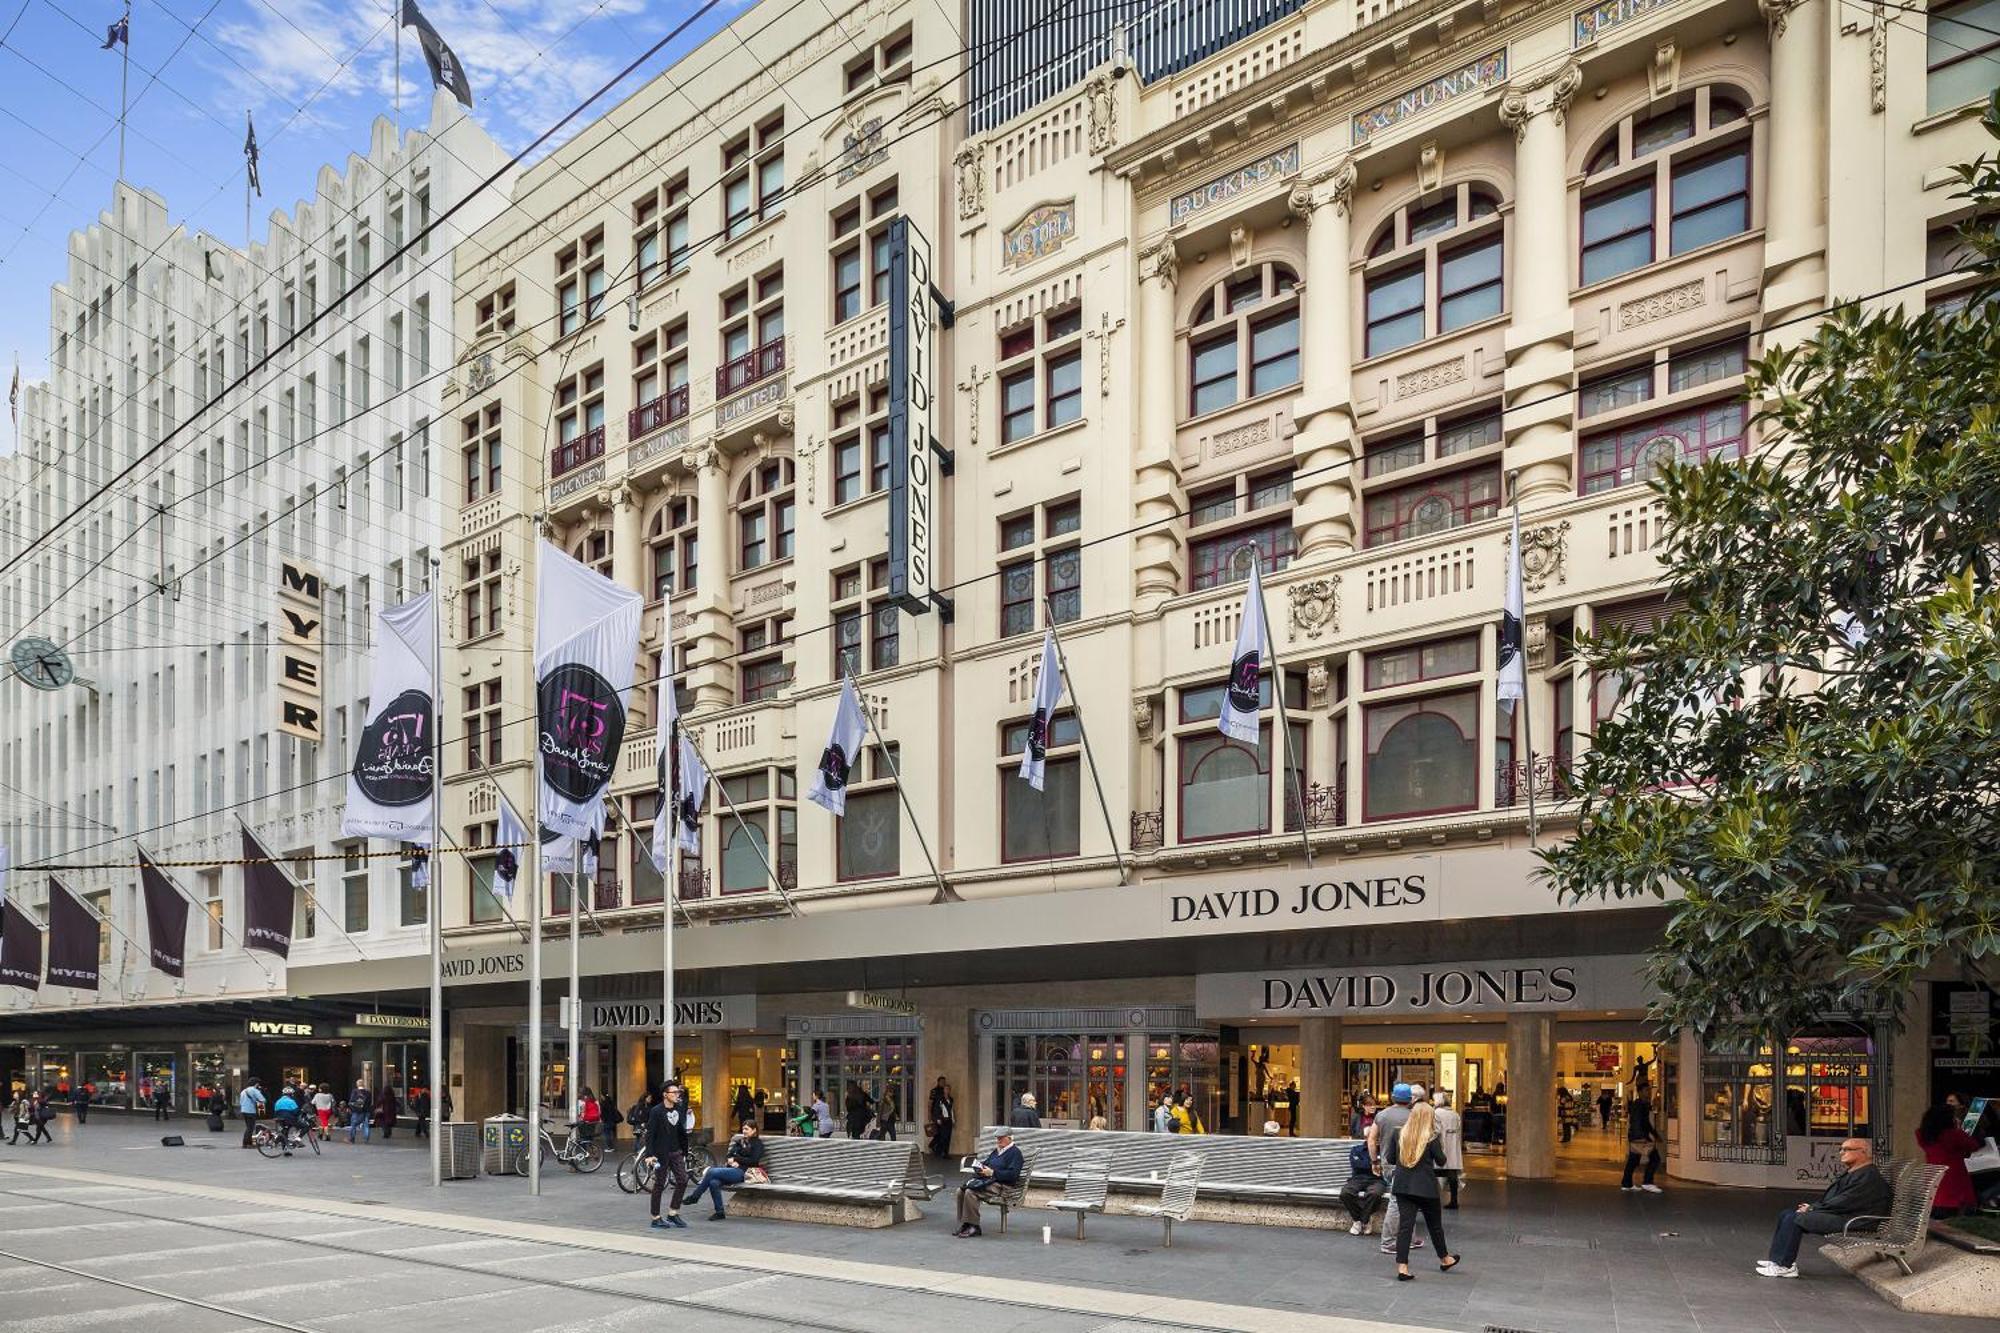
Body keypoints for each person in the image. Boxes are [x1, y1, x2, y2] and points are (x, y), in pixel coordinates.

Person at [1758, 1138, 1894, 1278]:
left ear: (1863, 1152)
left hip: (1855, 1221)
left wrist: (1812, 1209)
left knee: (1794, 1219)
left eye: (1847, 1149)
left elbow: (1845, 1201)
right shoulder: (1856, 1173)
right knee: (1787, 1214)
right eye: (1841, 1149)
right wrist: (1813, 1207)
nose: (1841, 1153)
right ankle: (1777, 1260)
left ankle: (1785, 1266)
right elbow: (1838, 1199)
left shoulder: (1868, 1177)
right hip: (1845, 1216)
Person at [1383, 1099, 1459, 1281]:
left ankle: (1402, 1268)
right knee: (1435, 1226)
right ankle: (1445, 1259)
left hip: (1402, 1186)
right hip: (1426, 1188)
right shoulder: (1431, 1138)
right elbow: (1441, 1161)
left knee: (1405, 1227)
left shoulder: (1399, 1134)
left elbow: (1391, 1158)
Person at [1370, 1084, 1420, 1256]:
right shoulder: (1414, 1116)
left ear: (1393, 1097)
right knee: (1401, 1201)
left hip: (1388, 1164)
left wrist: (1374, 1161)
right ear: (1410, 1099)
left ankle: (1409, 1238)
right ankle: (1388, 1241)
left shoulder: (1382, 1115)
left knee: (1401, 1200)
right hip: (1411, 1164)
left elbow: (1371, 1140)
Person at [688, 1120, 767, 1220]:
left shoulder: (757, 1144)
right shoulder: (740, 1142)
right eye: (743, 1129)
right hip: (732, 1170)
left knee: (711, 1171)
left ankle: (695, 1196)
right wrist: (732, 1160)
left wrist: (736, 1159)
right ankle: (720, 1212)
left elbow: (753, 1160)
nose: (744, 1131)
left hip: (744, 1172)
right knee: (713, 1182)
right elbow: (729, 1155)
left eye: (747, 1129)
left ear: (754, 1130)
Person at [954, 1129, 1023, 1238]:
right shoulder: (997, 1151)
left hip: (1002, 1186)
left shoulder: (1015, 1153)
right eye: (997, 1138)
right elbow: (987, 1163)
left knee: (970, 1192)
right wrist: (980, 1168)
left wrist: (993, 1173)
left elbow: (1012, 1175)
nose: (998, 1140)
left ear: (1009, 1138)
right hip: (989, 1182)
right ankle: (966, 1224)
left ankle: (974, 1226)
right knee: (960, 1191)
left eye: (1001, 1138)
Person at [1916, 1104, 1981, 1218]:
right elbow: (1973, 1145)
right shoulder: (1954, 1134)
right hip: (1955, 1179)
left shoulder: (1922, 1134)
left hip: (1934, 1179)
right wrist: (1958, 1128)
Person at [644, 1082, 694, 1229]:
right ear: (665, 1094)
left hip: (676, 1151)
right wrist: (649, 1154)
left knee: (683, 1180)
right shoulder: (657, 1111)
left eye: (678, 1092)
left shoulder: (679, 1108)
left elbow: (681, 1129)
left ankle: (673, 1213)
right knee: (659, 1184)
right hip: (661, 1153)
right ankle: (655, 1217)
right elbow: (650, 1133)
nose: (677, 1095)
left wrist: (684, 1149)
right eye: (674, 1092)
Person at [1339, 1138, 1387, 1235]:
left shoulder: (1384, 1150)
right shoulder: (1356, 1149)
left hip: (1377, 1179)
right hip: (1357, 1179)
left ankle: (1362, 1220)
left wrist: (1366, 1163)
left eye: (1379, 1136)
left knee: (1375, 1194)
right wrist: (1374, 1163)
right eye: (1374, 1136)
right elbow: (1356, 1165)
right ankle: (1361, 1220)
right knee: (1345, 1193)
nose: (1377, 1139)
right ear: (1367, 1137)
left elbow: (1386, 1166)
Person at [1621, 1091, 1664, 1193]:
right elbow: (1644, 1123)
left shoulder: (1639, 1104)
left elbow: (1644, 1122)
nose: (1648, 1093)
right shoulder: (1640, 1105)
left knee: (1633, 1161)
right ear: (1640, 1092)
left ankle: (1626, 1183)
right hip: (1640, 1138)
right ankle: (1647, 1182)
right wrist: (1648, 1137)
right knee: (1655, 1158)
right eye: (1646, 1090)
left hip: (1636, 1137)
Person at [1433, 1089, 1464, 1209]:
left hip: (1441, 1145)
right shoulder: (1455, 1114)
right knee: (1452, 1174)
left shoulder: (1436, 1113)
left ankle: (1432, 1199)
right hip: (1454, 1147)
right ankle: (1454, 1200)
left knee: (1433, 1173)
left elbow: (1435, 1131)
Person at [928, 1076, 955, 1157]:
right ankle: (934, 1147)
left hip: (947, 1118)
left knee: (944, 1135)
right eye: (942, 1082)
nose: (943, 1083)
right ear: (938, 1082)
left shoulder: (950, 1098)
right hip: (938, 1116)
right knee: (939, 1134)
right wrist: (930, 1115)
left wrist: (953, 1119)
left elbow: (951, 1109)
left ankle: (940, 1151)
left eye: (944, 1082)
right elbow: (931, 1104)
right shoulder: (934, 1091)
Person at [237, 1079, 267, 1149]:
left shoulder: (243, 1091)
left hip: (244, 1111)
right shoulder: (254, 1090)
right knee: (250, 1128)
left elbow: (240, 1102)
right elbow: (263, 1100)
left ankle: (245, 1143)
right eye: (258, 1084)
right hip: (250, 1111)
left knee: (248, 1127)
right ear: (256, 1084)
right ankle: (248, 1144)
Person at [272, 1086, 301, 1155]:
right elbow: (296, 1111)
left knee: (285, 1132)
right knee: (304, 1126)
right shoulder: (291, 1101)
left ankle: (284, 1148)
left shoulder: (278, 1101)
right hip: (289, 1118)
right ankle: (297, 1139)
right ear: (291, 1094)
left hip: (280, 1118)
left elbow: (275, 1111)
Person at [345, 1080, 372, 1144]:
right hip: (366, 1110)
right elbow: (369, 1102)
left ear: (357, 1084)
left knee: (353, 1124)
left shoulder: (355, 1091)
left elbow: (352, 1101)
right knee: (366, 1124)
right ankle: (366, 1139)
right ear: (363, 1084)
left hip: (357, 1111)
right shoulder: (368, 1092)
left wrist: (351, 1108)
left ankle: (352, 1139)